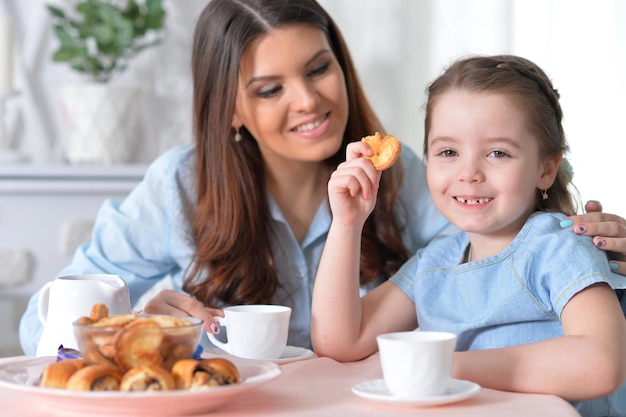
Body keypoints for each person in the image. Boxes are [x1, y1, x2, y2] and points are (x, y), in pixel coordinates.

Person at [19, 0, 626, 357]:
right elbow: (38, 328)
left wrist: (596, 245)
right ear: (230, 108)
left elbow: (509, 251)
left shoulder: (405, 178)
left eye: (319, 68)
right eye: (270, 89)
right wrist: (130, 314)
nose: (308, 101)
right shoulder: (181, 186)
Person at [311, 55, 626, 416]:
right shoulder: (436, 262)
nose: (468, 173)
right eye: (448, 151)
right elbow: (339, 342)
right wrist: (347, 225)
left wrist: (450, 368)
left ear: (546, 168)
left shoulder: (559, 246)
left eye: (497, 153)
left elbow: (602, 363)